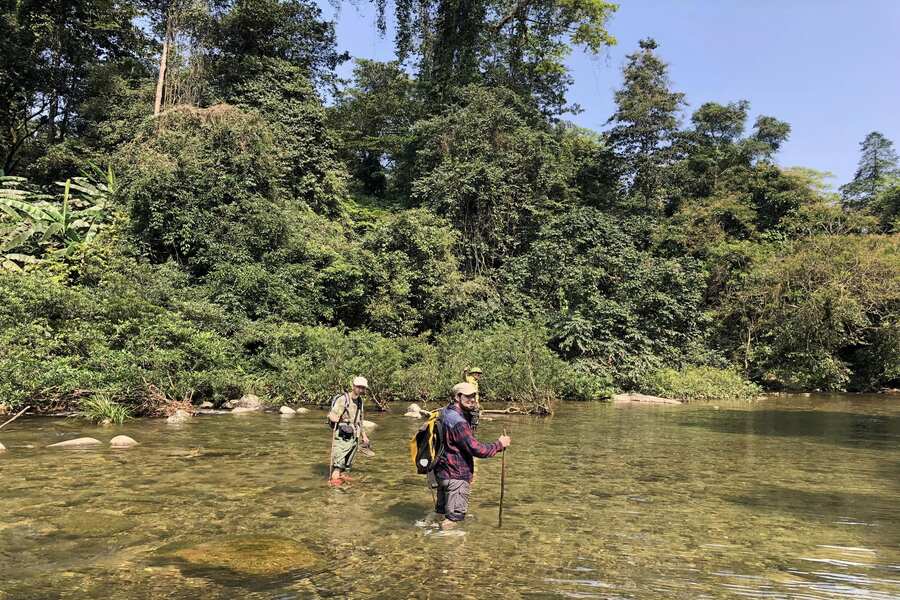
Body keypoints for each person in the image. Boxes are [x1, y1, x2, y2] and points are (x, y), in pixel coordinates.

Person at [433, 381, 511, 529]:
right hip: (456, 477)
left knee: (441, 513)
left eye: (474, 396)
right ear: (457, 397)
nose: (473, 399)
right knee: (453, 521)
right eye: (468, 396)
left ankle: (430, 539)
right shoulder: (458, 422)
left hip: (442, 473)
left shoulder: (444, 413)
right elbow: (477, 449)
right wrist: (500, 444)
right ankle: (445, 549)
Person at [327, 376, 370, 486]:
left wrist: (364, 436)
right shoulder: (343, 399)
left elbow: (360, 420)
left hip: (354, 437)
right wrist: (335, 418)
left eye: (363, 388)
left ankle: (343, 484)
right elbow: (331, 414)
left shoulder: (360, 401)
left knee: (347, 465)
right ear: (354, 386)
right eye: (359, 387)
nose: (361, 390)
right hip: (342, 437)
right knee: (338, 465)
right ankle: (335, 492)